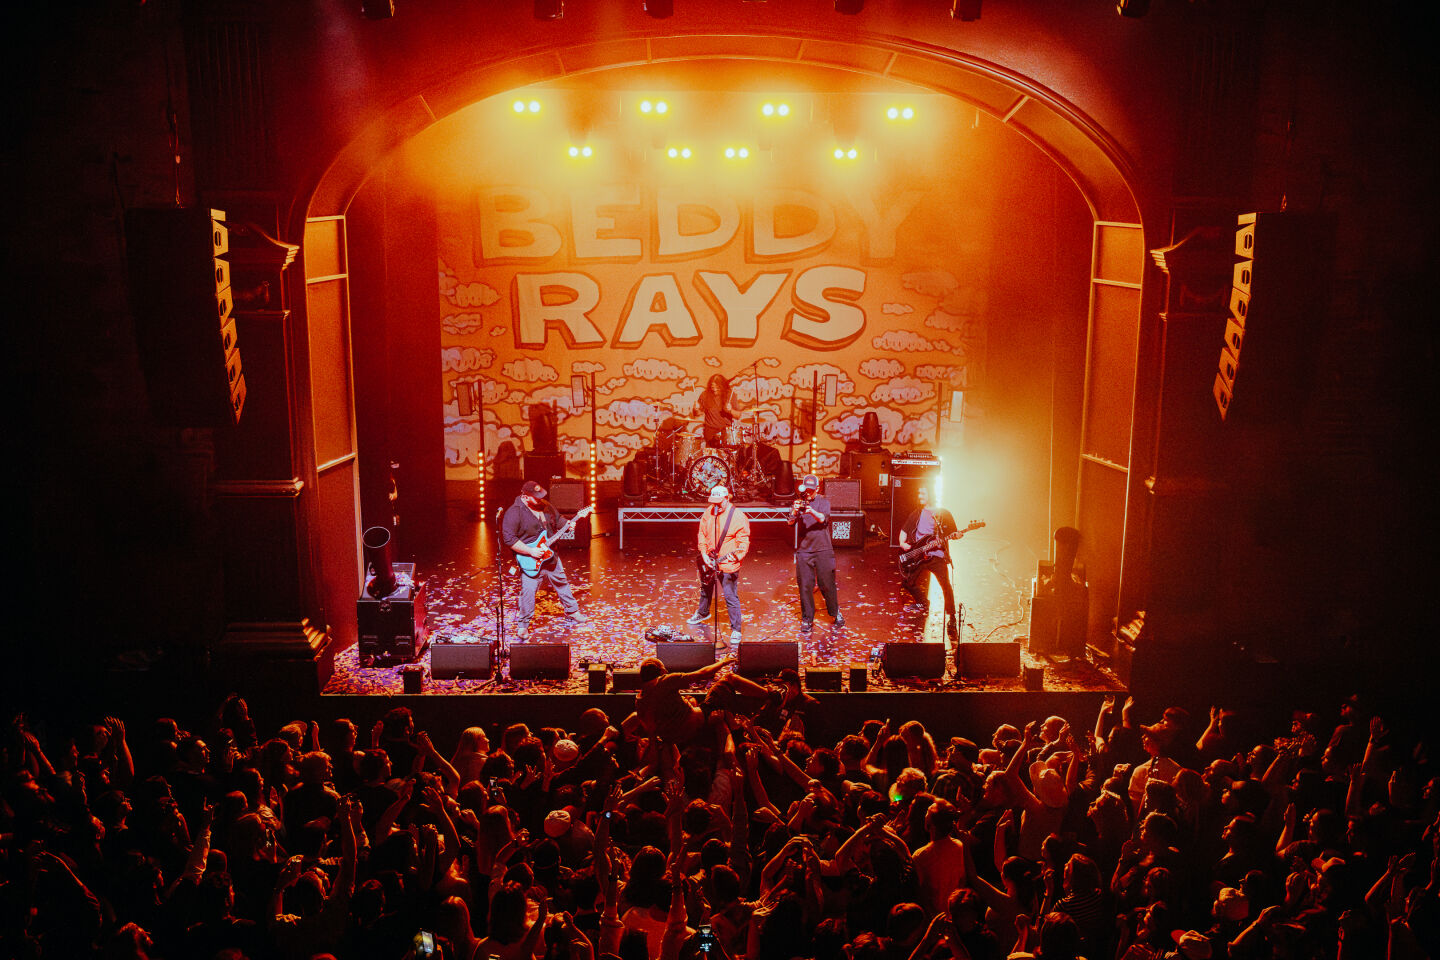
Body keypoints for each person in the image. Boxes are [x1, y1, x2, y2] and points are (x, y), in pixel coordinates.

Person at [500, 480, 588, 640]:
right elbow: (509, 539)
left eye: (541, 495)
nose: (540, 499)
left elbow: (558, 519)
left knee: (561, 582)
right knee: (528, 591)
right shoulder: (514, 512)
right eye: (536, 497)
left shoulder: (545, 505)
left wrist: (568, 524)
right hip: (530, 558)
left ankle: (572, 611)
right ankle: (523, 625)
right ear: (525, 496)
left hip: (550, 554)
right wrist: (531, 551)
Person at [686, 484, 750, 648]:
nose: (715, 505)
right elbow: (702, 533)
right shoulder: (709, 512)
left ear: (727, 498)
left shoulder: (738, 516)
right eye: (713, 501)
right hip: (709, 559)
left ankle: (736, 630)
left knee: (730, 596)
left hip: (727, 563)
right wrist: (704, 554)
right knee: (706, 588)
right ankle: (703, 613)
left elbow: (743, 543)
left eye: (718, 502)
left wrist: (736, 558)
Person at [897, 486, 958, 639]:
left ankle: (952, 618)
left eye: (922, 493)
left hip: (937, 556)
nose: (919, 496)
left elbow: (954, 532)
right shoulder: (917, 513)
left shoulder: (943, 514)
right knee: (908, 582)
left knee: (946, 586)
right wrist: (903, 543)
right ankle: (924, 603)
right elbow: (904, 531)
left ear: (930, 494)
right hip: (919, 556)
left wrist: (957, 535)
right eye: (919, 493)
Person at [787, 473, 842, 630]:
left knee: (827, 584)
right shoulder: (798, 503)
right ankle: (807, 618)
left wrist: (811, 511)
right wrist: (795, 511)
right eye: (807, 490)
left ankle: (835, 612)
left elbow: (822, 519)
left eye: (811, 490)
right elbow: (790, 522)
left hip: (823, 548)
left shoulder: (823, 502)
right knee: (805, 585)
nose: (809, 493)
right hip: (804, 550)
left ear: (817, 488)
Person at [696, 373, 736, 448]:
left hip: (725, 431)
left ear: (722, 386)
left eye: (717, 387)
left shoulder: (730, 394)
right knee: (711, 454)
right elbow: (697, 414)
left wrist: (731, 410)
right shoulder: (705, 395)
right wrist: (696, 409)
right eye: (712, 387)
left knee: (725, 453)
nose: (714, 389)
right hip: (710, 431)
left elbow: (738, 415)